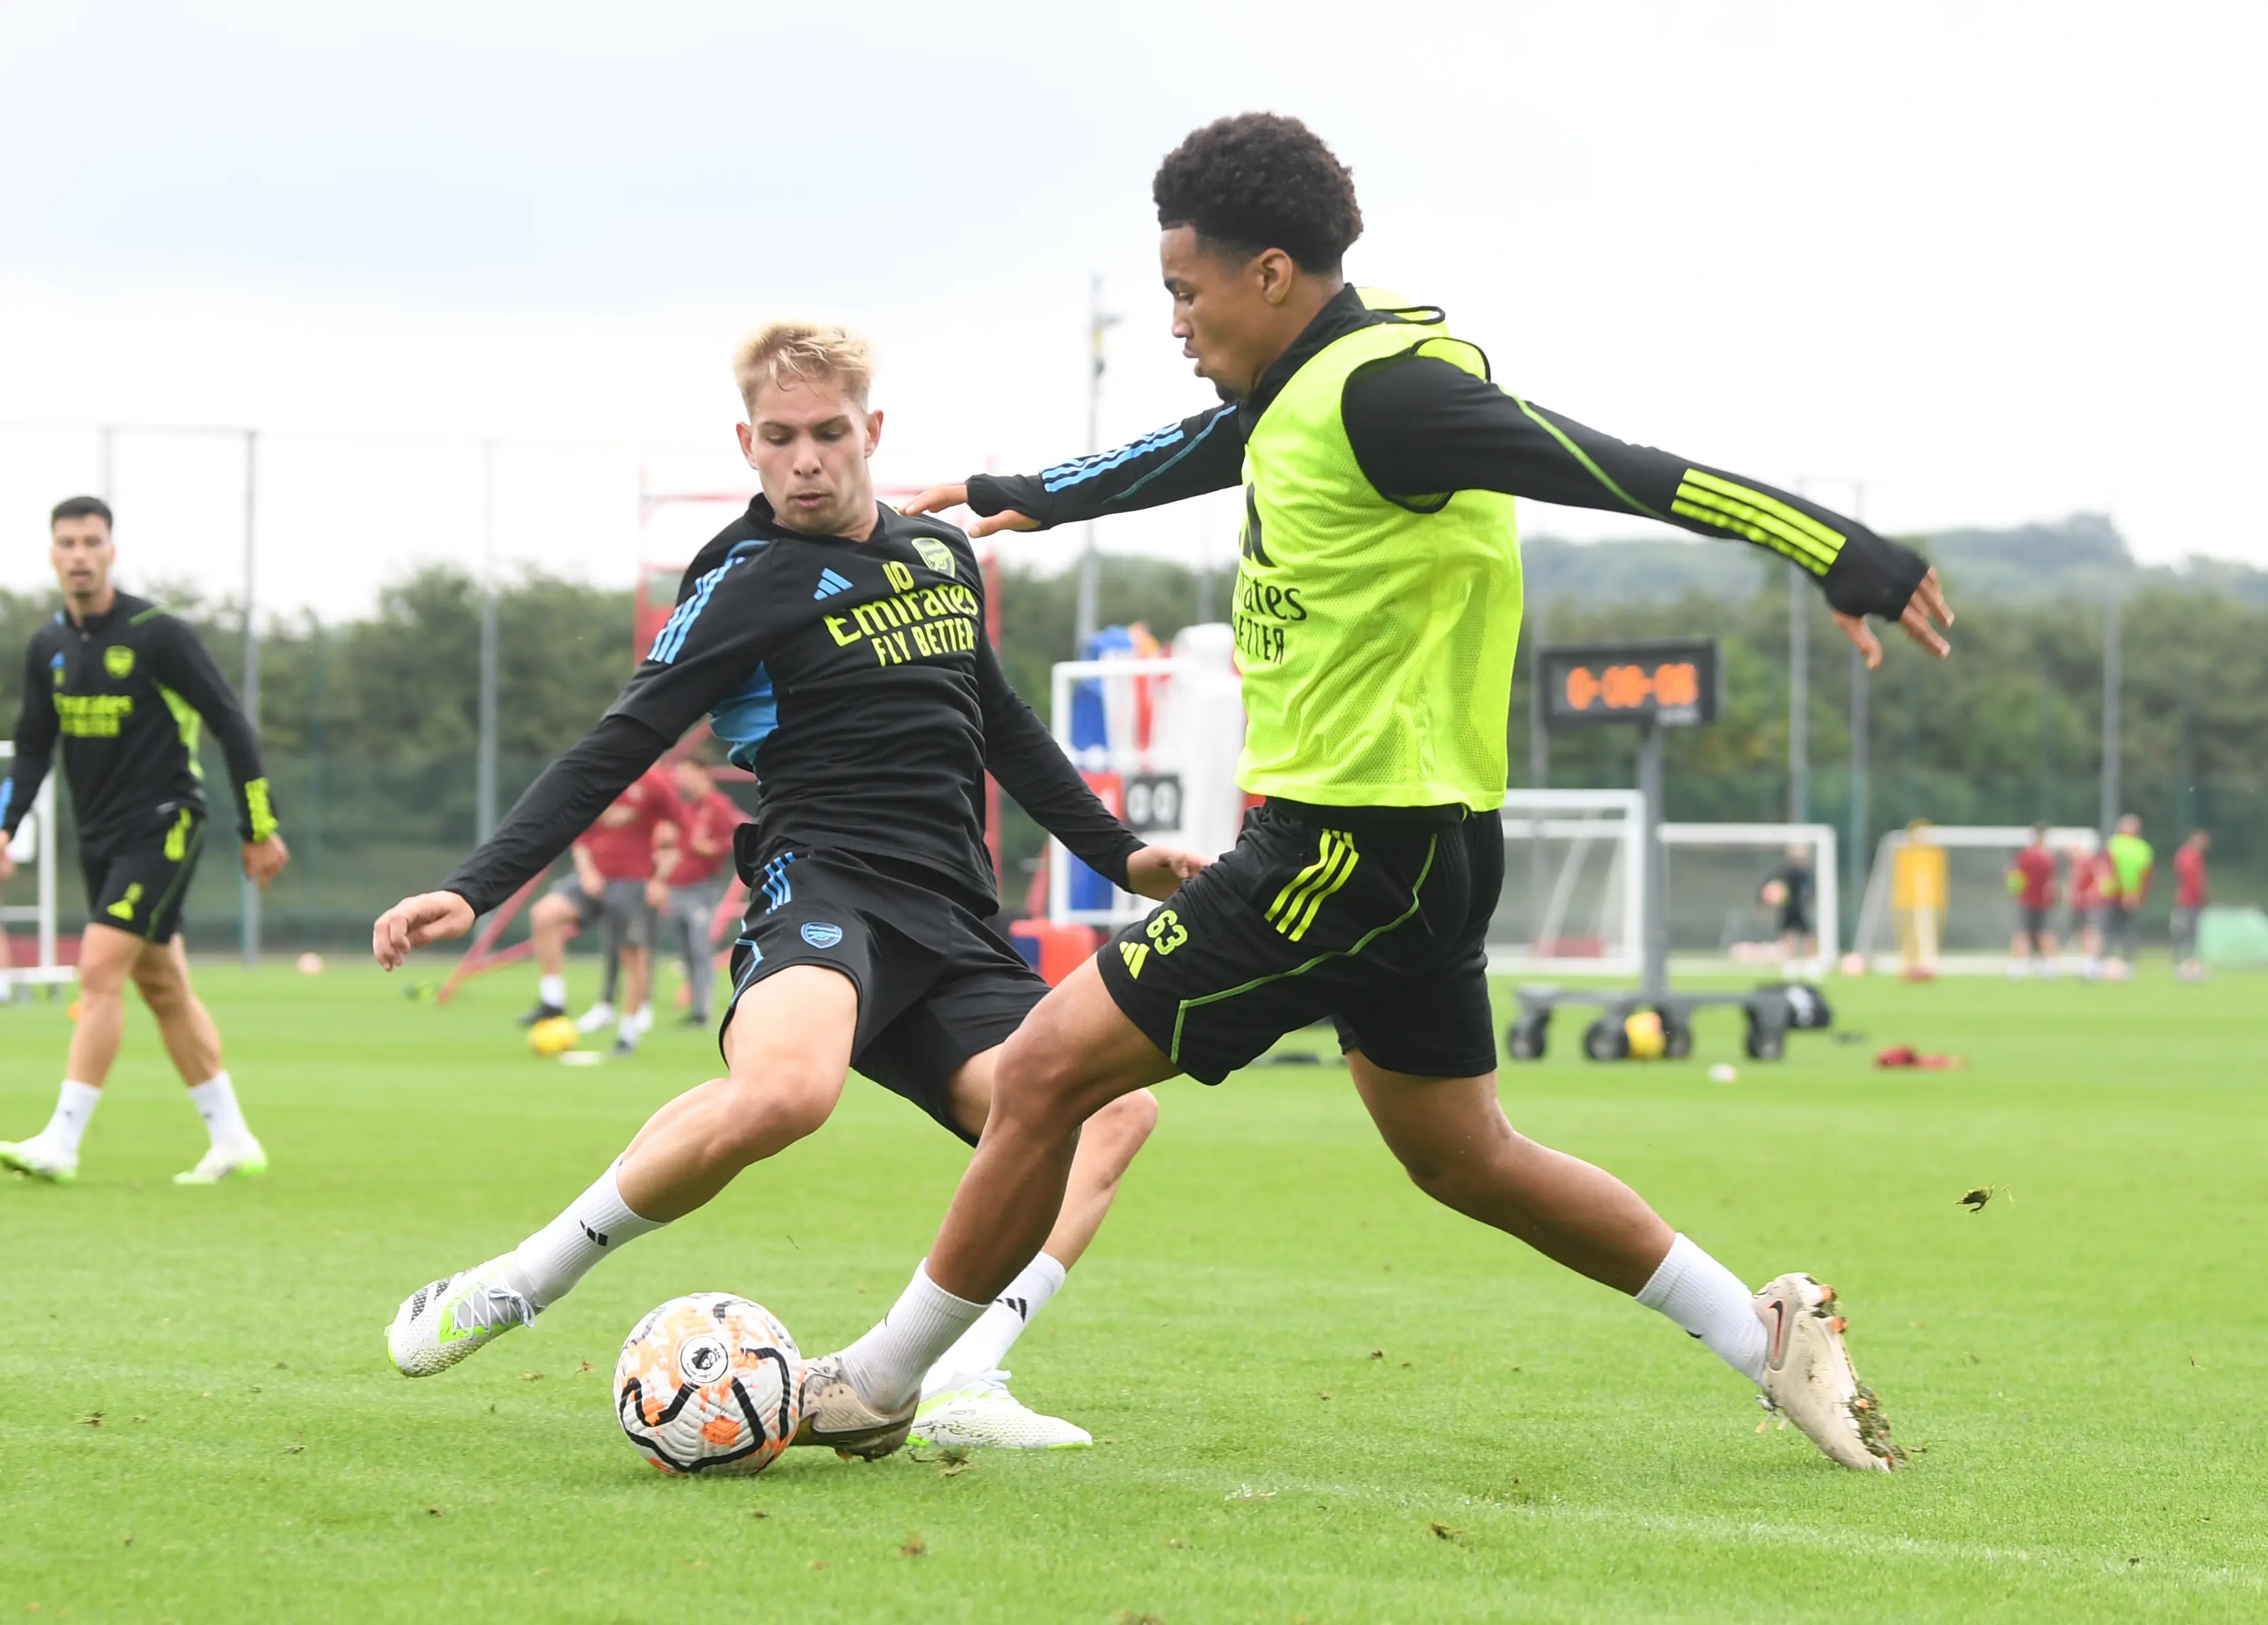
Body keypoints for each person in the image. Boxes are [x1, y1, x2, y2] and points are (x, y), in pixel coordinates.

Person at [802, 115, 1953, 1472]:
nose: (1177, 319)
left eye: (1187, 291)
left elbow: (1613, 467)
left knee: (1047, 1070)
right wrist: (1027, 497)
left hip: (1349, 848)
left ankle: (877, 1383)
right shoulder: (1311, 389)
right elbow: (1207, 444)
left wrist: (1834, 548)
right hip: (1418, 849)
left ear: (1273, 273)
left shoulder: (1392, 396)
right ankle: (1767, 1336)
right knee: (1461, 1155)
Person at [373, 322, 1208, 1449]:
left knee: (1109, 1114)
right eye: (778, 439)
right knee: (786, 1093)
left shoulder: (939, 555)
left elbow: (999, 725)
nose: (804, 459)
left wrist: (1119, 858)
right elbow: (615, 747)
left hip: (955, 919)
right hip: (823, 883)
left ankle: (943, 1377)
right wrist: (476, 890)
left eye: (826, 433)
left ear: (872, 431)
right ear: (747, 444)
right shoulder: (740, 581)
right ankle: (519, 1282)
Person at [0, 496, 290, 1185]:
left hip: (165, 822)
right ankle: (233, 1139)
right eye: (66, 542)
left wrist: (260, 826)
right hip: (99, 836)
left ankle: (62, 1142)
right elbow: (35, 749)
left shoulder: (159, 634)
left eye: (91, 542)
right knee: (162, 985)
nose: (78, 555)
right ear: (51, 553)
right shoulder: (49, 646)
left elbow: (231, 724)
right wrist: (5, 828)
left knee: (98, 971)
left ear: (111, 551)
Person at [517, 765, 673, 1054]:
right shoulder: (598, 776)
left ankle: (628, 1033)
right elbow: (581, 831)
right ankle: (553, 1002)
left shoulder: (656, 783)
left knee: (632, 953)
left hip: (633, 880)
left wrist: (662, 879)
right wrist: (587, 871)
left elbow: (677, 829)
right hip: (594, 877)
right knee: (545, 914)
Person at [650, 748, 748, 1027]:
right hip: (678, 887)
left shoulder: (718, 805)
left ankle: (703, 1012)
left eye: (688, 774)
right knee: (686, 950)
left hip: (702, 888)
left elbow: (736, 836)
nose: (683, 781)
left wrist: (711, 848)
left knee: (700, 947)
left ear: (703, 774)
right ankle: (695, 1009)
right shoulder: (684, 808)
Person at [2103, 814, 2154, 980]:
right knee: (2123, 931)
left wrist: (2129, 893)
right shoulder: (2142, 847)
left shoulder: (2116, 844)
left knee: (2116, 932)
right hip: (2125, 896)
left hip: (2119, 895)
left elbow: (2114, 870)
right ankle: (2120, 964)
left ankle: (2116, 965)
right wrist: (2136, 895)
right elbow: (2145, 875)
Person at [2005, 823, 2058, 976]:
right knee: (2044, 932)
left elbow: (2015, 879)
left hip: (2027, 900)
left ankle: (2018, 965)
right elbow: (2052, 883)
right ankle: (2049, 965)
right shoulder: (2048, 857)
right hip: (2043, 902)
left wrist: (2015, 892)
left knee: (2023, 932)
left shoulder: (2024, 856)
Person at [1765, 844, 1816, 962]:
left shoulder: (1806, 873)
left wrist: (1808, 900)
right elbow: (1775, 886)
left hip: (1801, 908)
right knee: (1786, 933)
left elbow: (1809, 891)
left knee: (1807, 933)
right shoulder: (1785, 872)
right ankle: (1788, 957)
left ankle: (1812, 957)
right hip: (1788, 908)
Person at [2171, 828, 2209, 982]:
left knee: (2190, 936)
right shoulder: (2189, 857)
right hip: (2188, 902)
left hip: (2191, 901)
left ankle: (2187, 966)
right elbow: (2193, 881)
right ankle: (2185, 968)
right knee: (2186, 935)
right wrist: (2201, 896)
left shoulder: (2192, 856)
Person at [2072, 840, 2110, 976]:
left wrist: (2091, 894)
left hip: (2092, 904)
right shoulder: (2078, 864)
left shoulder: (2092, 862)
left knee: (2092, 932)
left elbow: (2103, 880)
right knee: (2085, 932)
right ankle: (2088, 961)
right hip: (2082, 905)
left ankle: (2094, 962)